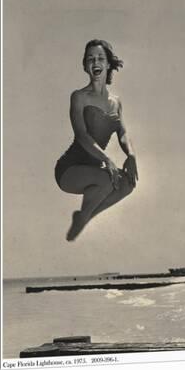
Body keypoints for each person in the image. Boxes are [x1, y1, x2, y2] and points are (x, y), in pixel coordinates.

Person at [55, 39, 138, 241]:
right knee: (107, 179)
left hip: (97, 169)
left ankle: (84, 216)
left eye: (100, 58)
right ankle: (84, 217)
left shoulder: (116, 102)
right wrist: (108, 160)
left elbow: (123, 133)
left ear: (108, 64)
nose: (95, 62)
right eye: (90, 59)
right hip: (70, 170)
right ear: (85, 66)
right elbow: (82, 136)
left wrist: (131, 156)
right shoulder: (79, 97)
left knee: (127, 183)